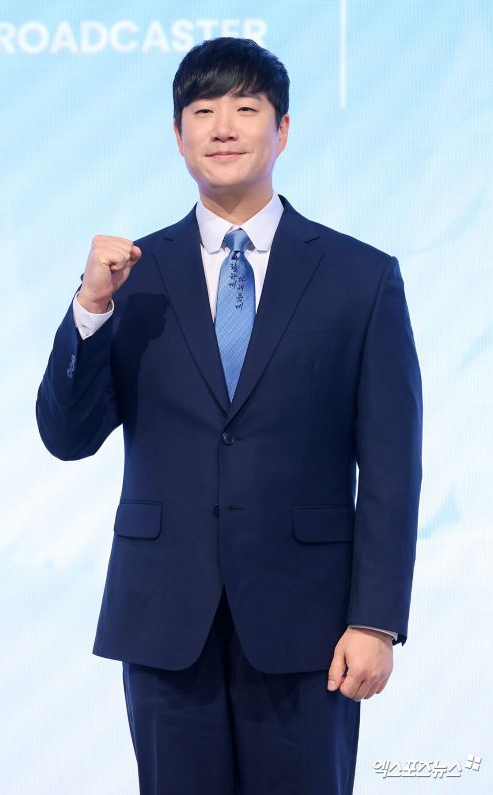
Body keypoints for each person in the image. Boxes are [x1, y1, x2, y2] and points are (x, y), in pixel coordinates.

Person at [36, 36, 422, 795]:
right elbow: (68, 436)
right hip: (164, 619)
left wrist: (375, 619)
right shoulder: (131, 276)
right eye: (202, 110)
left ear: (283, 129)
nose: (222, 127)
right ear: (178, 134)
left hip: (310, 625)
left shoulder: (361, 277)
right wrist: (90, 307)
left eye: (245, 108)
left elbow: (391, 466)